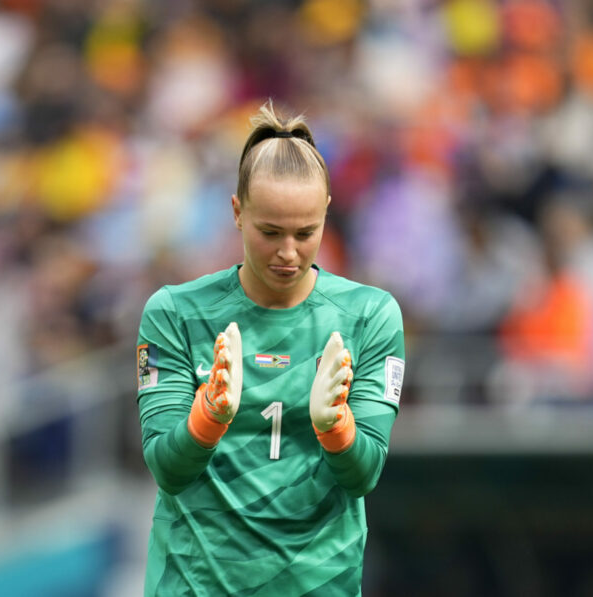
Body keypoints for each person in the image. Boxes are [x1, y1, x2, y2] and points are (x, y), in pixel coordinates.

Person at [136, 100, 405, 595]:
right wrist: (208, 417)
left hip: (317, 584)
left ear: (327, 211)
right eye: (270, 232)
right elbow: (167, 469)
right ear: (237, 212)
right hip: (195, 585)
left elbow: (363, 474)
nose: (288, 252)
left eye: (306, 233)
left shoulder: (371, 316)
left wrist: (336, 426)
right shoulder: (174, 313)